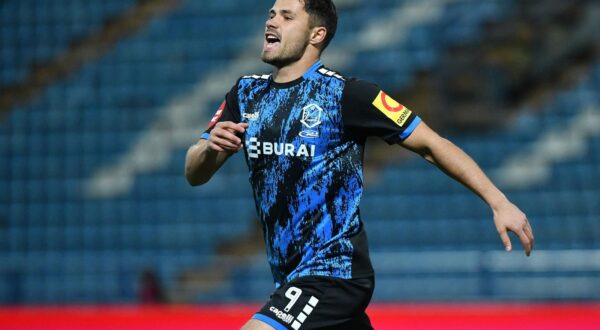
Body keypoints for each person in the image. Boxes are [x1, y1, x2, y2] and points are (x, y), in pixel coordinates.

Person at [185, 0, 534, 329]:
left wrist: (498, 201)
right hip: (289, 276)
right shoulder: (245, 94)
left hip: (333, 272)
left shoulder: (347, 95)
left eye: (287, 16)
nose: (271, 20)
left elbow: (431, 143)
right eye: (272, 13)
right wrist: (209, 149)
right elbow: (194, 173)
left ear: (316, 35)